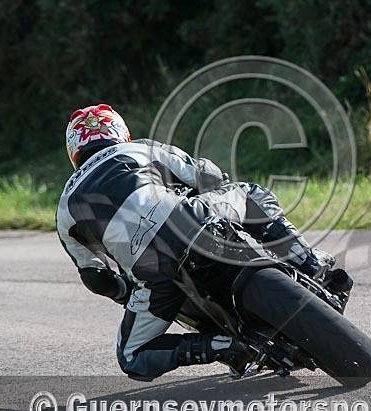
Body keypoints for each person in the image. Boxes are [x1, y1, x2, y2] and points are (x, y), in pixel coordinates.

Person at [56, 103, 325, 381]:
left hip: (153, 271)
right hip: (191, 221)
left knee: (132, 356)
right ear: (120, 131)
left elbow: (96, 277)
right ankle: (307, 259)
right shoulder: (137, 148)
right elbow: (206, 175)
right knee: (250, 194)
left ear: (73, 152)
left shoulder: (65, 208)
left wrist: (127, 293)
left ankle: (220, 346)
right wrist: (214, 189)